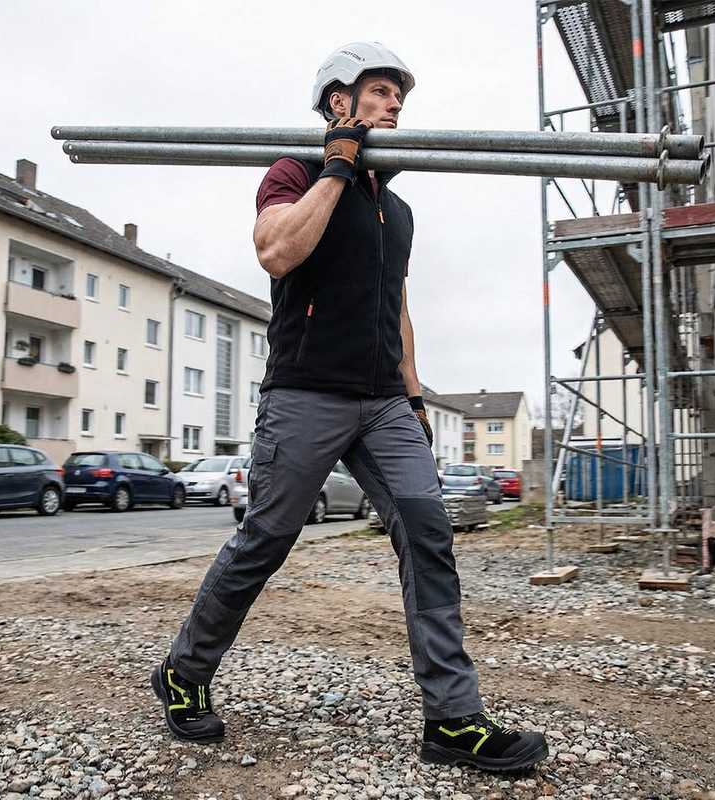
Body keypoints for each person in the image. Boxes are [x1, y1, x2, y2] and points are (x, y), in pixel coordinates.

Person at [152, 41, 548, 772]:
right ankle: (184, 672)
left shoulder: (396, 211)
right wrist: (336, 167)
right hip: (305, 394)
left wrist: (416, 392)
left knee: (428, 527)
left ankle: (454, 721)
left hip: (383, 403)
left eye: (401, 95)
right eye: (382, 91)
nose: (397, 104)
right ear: (340, 101)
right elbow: (276, 252)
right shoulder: (294, 175)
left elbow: (394, 302)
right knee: (266, 540)